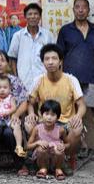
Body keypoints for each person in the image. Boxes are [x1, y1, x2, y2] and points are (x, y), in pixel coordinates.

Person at [57, 0, 94, 162]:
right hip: (72, 81)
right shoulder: (65, 30)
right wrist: (60, 78)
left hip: (92, 77)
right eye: (77, 7)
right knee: (75, 114)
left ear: (88, 10)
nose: (81, 10)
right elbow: (59, 56)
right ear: (73, 10)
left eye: (84, 7)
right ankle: (82, 146)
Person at [26, 43, 85, 171]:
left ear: (60, 61)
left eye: (54, 58)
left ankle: (69, 157)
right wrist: (31, 113)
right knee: (29, 124)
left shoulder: (71, 80)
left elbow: (81, 105)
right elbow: (30, 103)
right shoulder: (38, 80)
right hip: (45, 120)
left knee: (78, 128)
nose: (50, 62)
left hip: (66, 122)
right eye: (47, 59)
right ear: (43, 62)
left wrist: (78, 116)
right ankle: (41, 156)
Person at [8, 3, 55, 90]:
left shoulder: (48, 35)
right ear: (25, 17)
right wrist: (16, 78)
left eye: (36, 14)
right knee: (25, 104)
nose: (33, 16)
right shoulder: (18, 36)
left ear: (40, 17)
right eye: (30, 14)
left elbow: (54, 58)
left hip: (44, 82)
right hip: (23, 83)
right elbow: (12, 58)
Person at [27, 99, 69, 180]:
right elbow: (28, 146)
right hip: (41, 158)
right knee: (41, 149)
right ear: (41, 114)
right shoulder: (37, 129)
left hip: (55, 158)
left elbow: (68, 143)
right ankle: (43, 168)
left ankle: (58, 168)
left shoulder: (60, 130)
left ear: (57, 117)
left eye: (53, 115)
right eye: (46, 114)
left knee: (59, 150)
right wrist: (38, 142)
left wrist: (63, 146)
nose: (49, 117)